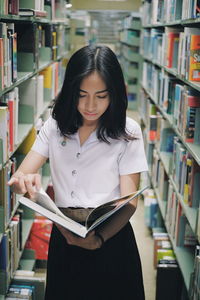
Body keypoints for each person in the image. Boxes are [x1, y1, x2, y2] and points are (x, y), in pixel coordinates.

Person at [8, 45, 148, 300]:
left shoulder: (129, 131)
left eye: (101, 96)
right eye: (82, 94)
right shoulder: (54, 127)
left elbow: (129, 203)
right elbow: (18, 179)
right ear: (71, 90)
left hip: (111, 238)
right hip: (65, 237)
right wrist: (23, 181)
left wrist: (99, 240)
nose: (91, 106)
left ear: (114, 94)